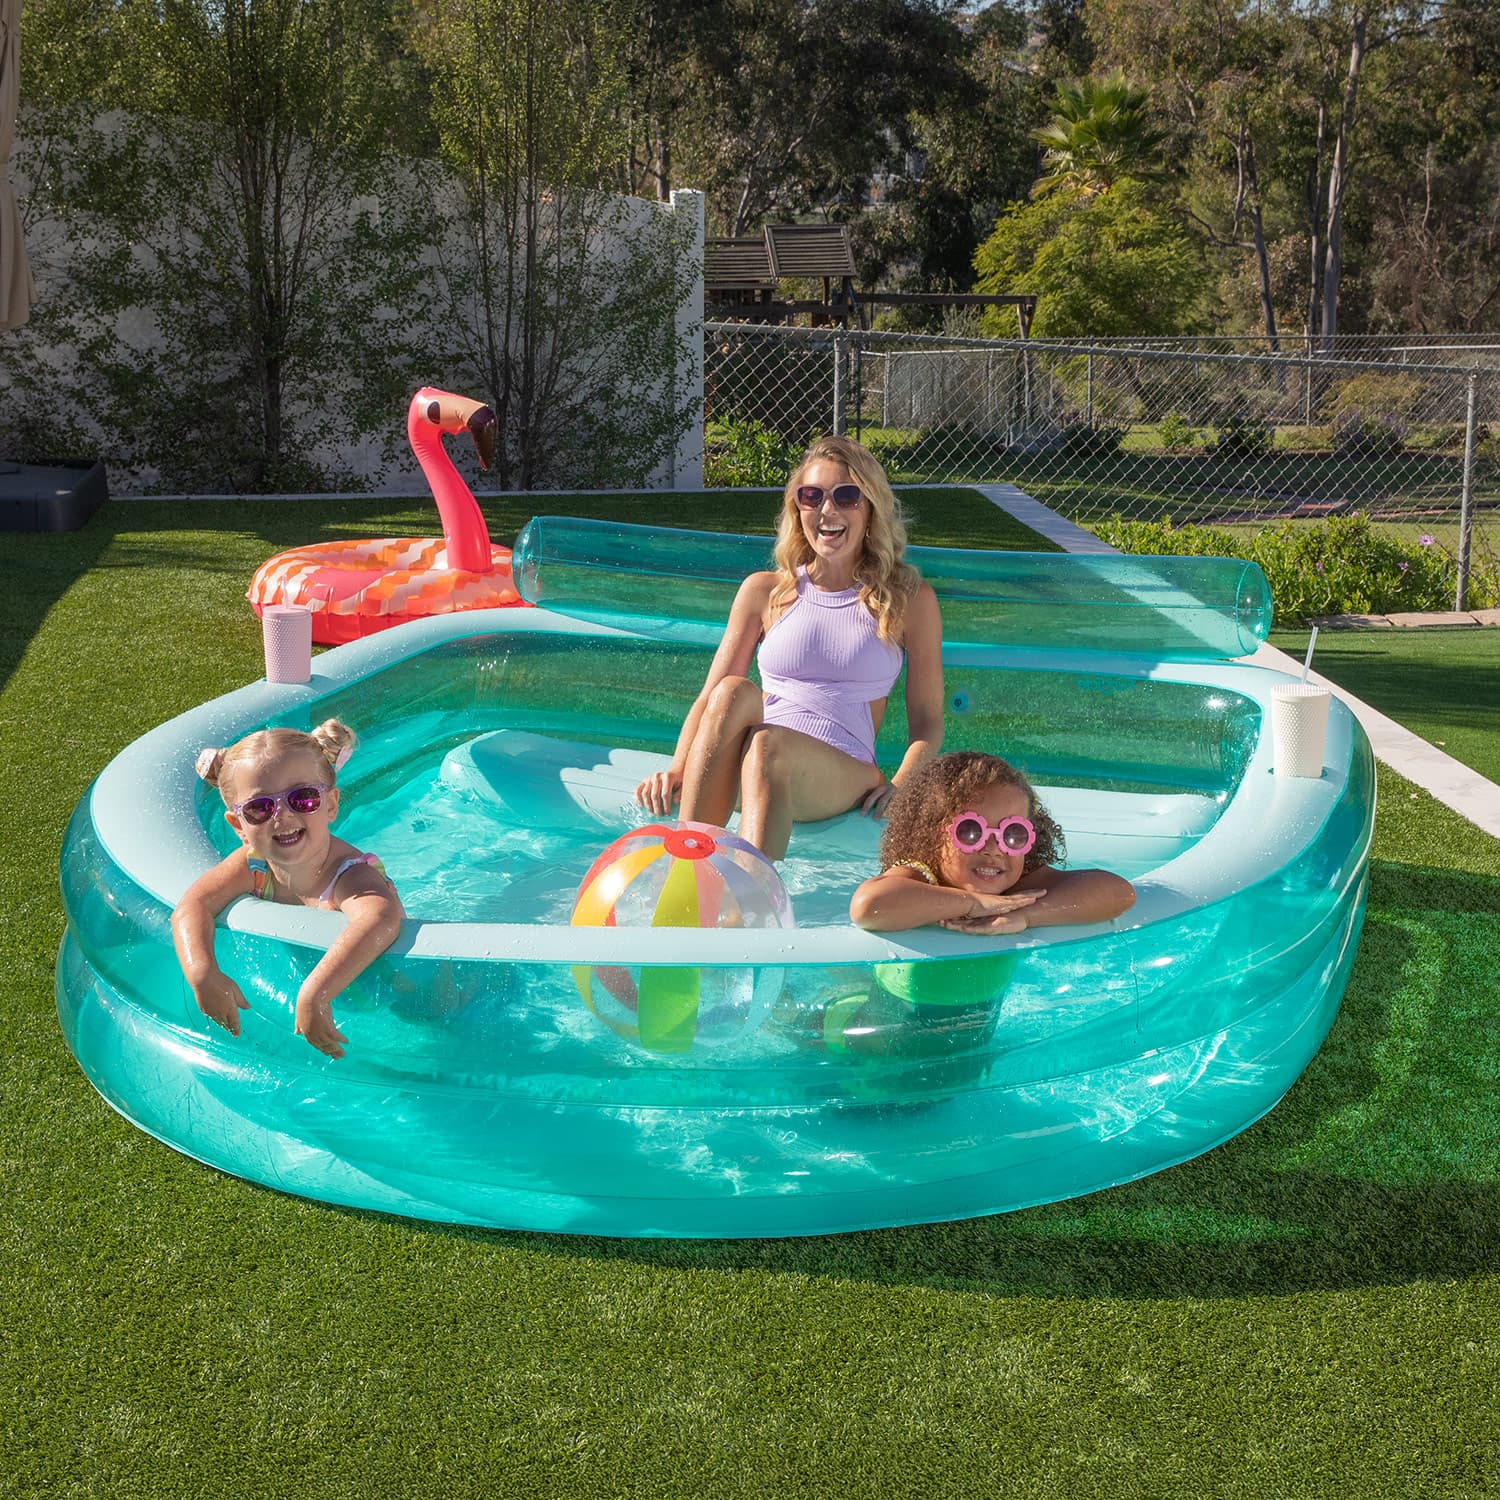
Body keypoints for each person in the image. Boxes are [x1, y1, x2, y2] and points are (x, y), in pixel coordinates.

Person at [635, 434, 944, 859]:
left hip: (839, 771)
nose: (827, 511)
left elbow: (927, 722)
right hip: (753, 756)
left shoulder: (908, 598)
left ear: (871, 508)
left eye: (846, 496)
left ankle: (751, 896)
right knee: (731, 691)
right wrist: (678, 768)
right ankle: (686, 861)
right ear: (796, 508)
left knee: (768, 746)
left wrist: (902, 784)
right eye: (811, 496)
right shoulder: (765, 591)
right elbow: (711, 697)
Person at [171, 720, 404, 1059]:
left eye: (303, 799)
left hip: (408, 986)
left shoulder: (351, 876)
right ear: (238, 825)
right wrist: (203, 972)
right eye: (259, 808)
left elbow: (381, 919)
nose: (281, 815)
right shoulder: (253, 864)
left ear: (331, 805)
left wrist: (315, 994)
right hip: (352, 994)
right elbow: (192, 906)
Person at [850, 750, 1136, 933]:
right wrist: (973, 903)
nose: (994, 848)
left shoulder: (1014, 887)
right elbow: (869, 906)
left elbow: (1118, 892)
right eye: (971, 831)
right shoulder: (922, 876)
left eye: (1013, 835)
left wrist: (1026, 916)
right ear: (933, 832)